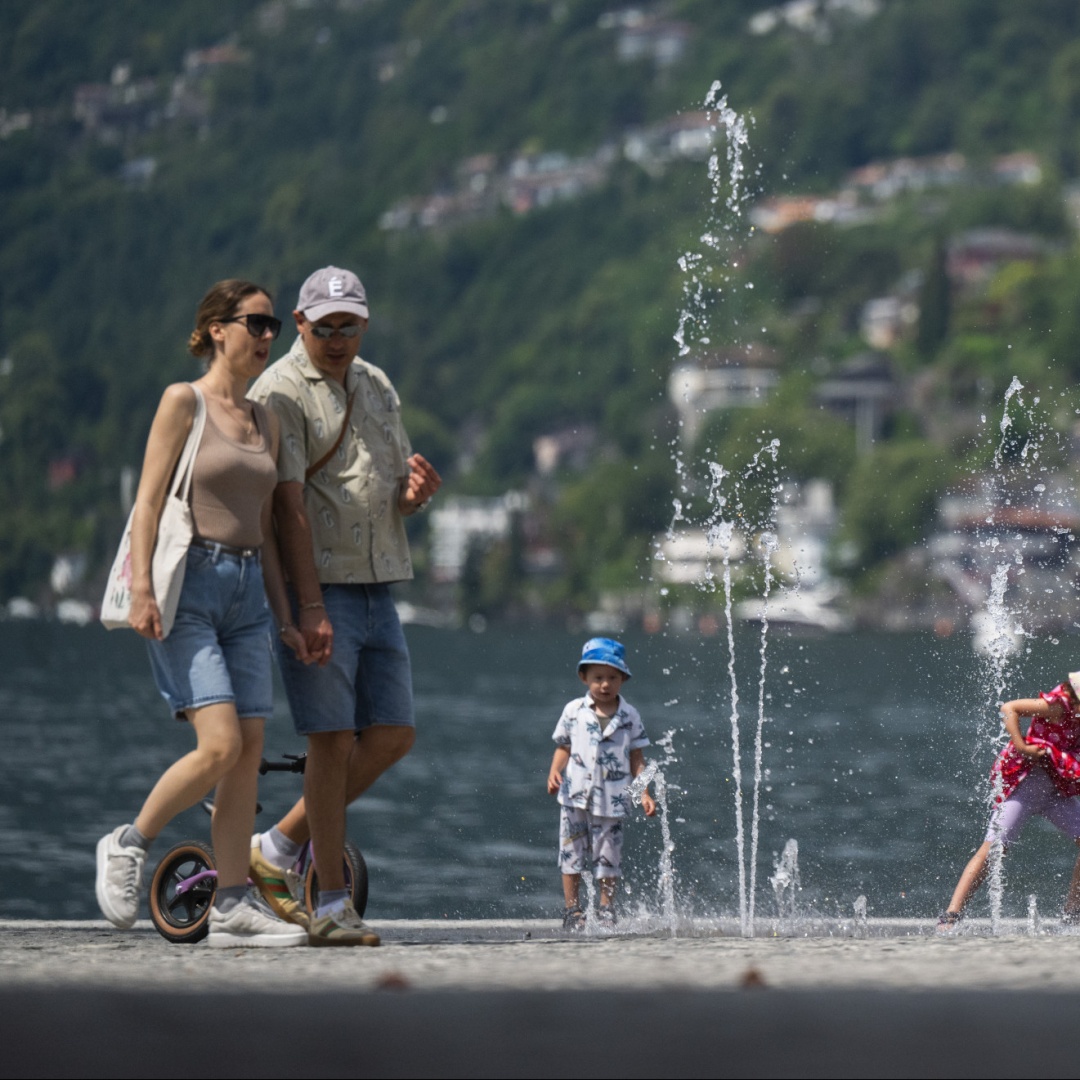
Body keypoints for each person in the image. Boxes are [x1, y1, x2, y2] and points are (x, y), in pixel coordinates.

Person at [95, 279, 308, 947]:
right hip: (188, 586)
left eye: (273, 326)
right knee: (218, 746)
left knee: (247, 754)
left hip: (247, 595)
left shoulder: (266, 420)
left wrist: (287, 615)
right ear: (218, 328)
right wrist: (142, 590)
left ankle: (232, 905)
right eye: (255, 323)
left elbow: (266, 531)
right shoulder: (182, 402)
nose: (267, 336)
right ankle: (129, 842)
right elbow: (148, 502)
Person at [248, 266, 441, 947]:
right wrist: (307, 607)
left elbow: (389, 489)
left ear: (364, 324)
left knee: (392, 734)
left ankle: (276, 846)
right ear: (300, 323)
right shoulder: (277, 391)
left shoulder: (376, 383)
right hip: (321, 587)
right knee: (329, 740)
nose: (337, 339)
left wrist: (413, 498)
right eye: (325, 327)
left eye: (349, 326)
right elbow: (287, 507)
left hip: (378, 582)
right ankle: (331, 904)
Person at [938, 674, 1080, 931]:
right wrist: (1021, 746)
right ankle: (951, 915)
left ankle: (1073, 914)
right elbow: (1009, 708)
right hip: (1025, 787)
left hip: (1055, 792)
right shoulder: (1056, 706)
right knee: (995, 848)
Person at [547, 637, 656, 930]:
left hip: (613, 800)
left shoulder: (630, 716)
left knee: (609, 857)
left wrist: (643, 793)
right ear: (584, 678)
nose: (605, 684)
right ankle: (572, 909)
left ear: (623, 679)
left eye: (612, 678)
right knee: (570, 853)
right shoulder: (574, 711)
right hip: (574, 796)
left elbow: (637, 759)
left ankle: (606, 908)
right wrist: (554, 772)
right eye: (598, 678)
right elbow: (564, 747)